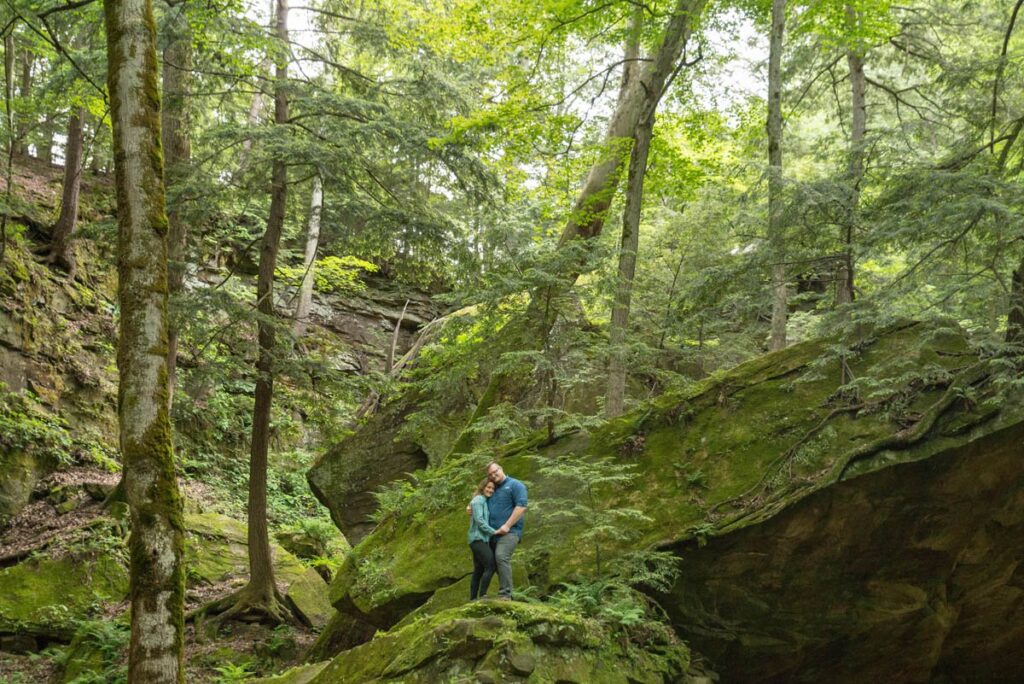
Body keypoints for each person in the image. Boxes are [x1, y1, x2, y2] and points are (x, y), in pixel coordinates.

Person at [485, 460, 528, 600]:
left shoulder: (515, 485)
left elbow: (521, 507)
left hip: (510, 532)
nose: (493, 475)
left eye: (495, 471)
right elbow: (480, 496)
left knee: (501, 556)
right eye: (490, 474)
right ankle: (497, 593)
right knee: (491, 562)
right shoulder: (493, 488)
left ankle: (505, 594)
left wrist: (507, 525)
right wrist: (470, 507)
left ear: (501, 469)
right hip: (492, 534)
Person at [467, 478, 498, 600]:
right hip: (477, 539)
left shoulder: (484, 501)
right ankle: (483, 595)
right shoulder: (479, 500)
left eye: (492, 489)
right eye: (488, 487)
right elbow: (480, 521)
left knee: (479, 569)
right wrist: (493, 532)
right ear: (483, 487)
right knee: (491, 565)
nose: (490, 490)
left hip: (480, 539)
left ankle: (473, 598)